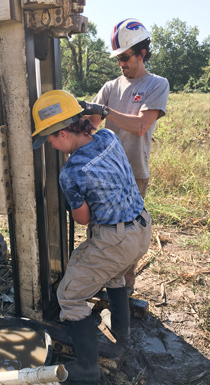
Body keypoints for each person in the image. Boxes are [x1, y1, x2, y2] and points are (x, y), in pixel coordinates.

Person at [32, 89, 151, 383]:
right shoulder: (108, 137)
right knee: (113, 275)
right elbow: (99, 116)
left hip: (115, 240)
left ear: (61, 134)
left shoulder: (71, 171)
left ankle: (87, 368)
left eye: (48, 139)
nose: (50, 145)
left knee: (69, 296)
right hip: (142, 229)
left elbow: (83, 218)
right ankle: (121, 339)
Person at [79, 18, 170, 293]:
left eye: (126, 57)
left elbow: (141, 126)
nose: (121, 63)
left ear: (142, 53)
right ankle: (100, 284)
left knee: (128, 237)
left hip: (134, 173)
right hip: (103, 176)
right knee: (100, 232)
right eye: (118, 58)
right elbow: (90, 124)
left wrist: (105, 111)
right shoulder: (109, 87)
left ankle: (123, 292)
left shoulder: (157, 85)